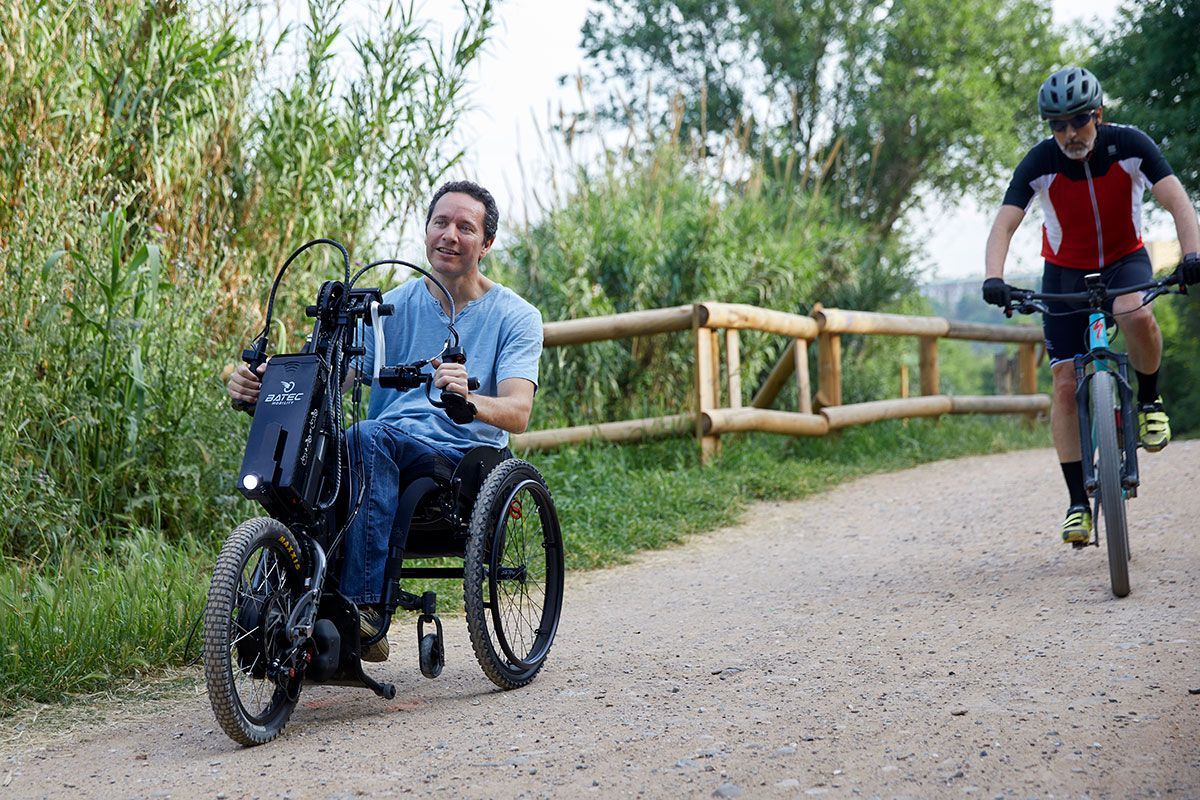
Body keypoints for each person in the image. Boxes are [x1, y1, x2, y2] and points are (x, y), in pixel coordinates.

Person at [227, 180, 543, 660]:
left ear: (486, 244)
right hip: (378, 445)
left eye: (465, 227)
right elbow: (338, 377)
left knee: (368, 437)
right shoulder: (387, 308)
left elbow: (517, 412)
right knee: (316, 451)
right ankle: (279, 604)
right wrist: (266, 384)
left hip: (459, 457)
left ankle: (367, 611)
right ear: (426, 230)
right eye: (440, 223)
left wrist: (469, 399)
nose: (449, 235)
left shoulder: (516, 316)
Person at [981, 66, 1200, 545]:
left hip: (1125, 261)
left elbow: (1178, 202)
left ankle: (1149, 401)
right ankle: (1077, 503)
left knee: (1135, 312)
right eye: (1058, 125)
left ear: (1097, 115)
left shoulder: (1131, 145)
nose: (1069, 133)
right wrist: (994, 278)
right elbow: (1004, 224)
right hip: (1064, 273)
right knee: (1064, 384)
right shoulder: (1040, 161)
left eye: (1078, 120)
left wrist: (1191, 255)